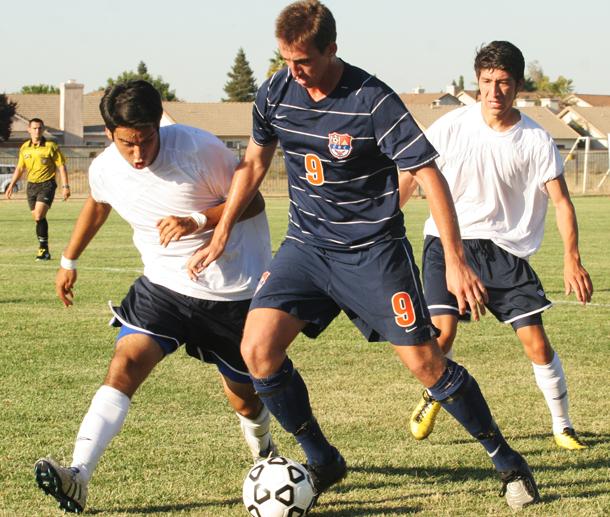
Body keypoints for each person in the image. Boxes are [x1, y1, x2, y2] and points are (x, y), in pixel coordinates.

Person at [188, 2, 539, 510]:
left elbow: (429, 175)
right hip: (306, 248)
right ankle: (323, 459)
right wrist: (220, 231)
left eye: (303, 60)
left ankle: (507, 461)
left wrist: (457, 260)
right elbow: (254, 162)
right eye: (285, 58)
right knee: (257, 351)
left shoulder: (372, 100)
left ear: (332, 48)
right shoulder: (274, 91)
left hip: (374, 253)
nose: (293, 70)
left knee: (425, 362)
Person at [34, 80, 278, 514]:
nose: (140, 153)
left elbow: (254, 202)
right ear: (110, 134)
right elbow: (98, 203)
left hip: (232, 293)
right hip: (163, 287)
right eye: (128, 143)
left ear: (157, 125)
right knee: (125, 363)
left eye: (147, 139)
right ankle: (78, 476)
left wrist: (197, 220)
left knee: (243, 397)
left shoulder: (199, 150)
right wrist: (69, 260)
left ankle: (265, 454)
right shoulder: (105, 168)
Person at [407, 41, 593, 451]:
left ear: (518, 85)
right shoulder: (450, 126)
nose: (494, 92)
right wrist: (382, 218)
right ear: (477, 83)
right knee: (442, 334)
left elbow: (561, 202)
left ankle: (562, 427)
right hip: (447, 242)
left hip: (504, 251)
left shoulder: (536, 140)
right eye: (486, 82)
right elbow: (411, 176)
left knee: (537, 343)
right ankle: (433, 392)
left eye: (503, 83)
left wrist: (571, 258)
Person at [4, 118, 70, 260]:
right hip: (31, 186)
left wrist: (65, 186)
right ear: (29, 130)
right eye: (34, 128)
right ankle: (44, 249)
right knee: (38, 219)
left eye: (39, 128)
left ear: (43, 129)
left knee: (39, 215)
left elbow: (61, 166)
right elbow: (20, 168)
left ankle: (42, 249)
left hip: (47, 184)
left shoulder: (51, 146)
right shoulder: (24, 148)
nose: (37, 131)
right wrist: (11, 185)